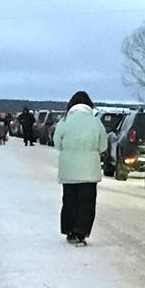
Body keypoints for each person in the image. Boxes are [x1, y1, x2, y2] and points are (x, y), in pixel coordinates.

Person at [53, 91, 107, 246]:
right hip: (89, 170)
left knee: (69, 200)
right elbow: (103, 146)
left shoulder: (64, 121)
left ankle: (69, 230)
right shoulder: (96, 122)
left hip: (68, 170)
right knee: (87, 203)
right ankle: (81, 232)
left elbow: (57, 143)